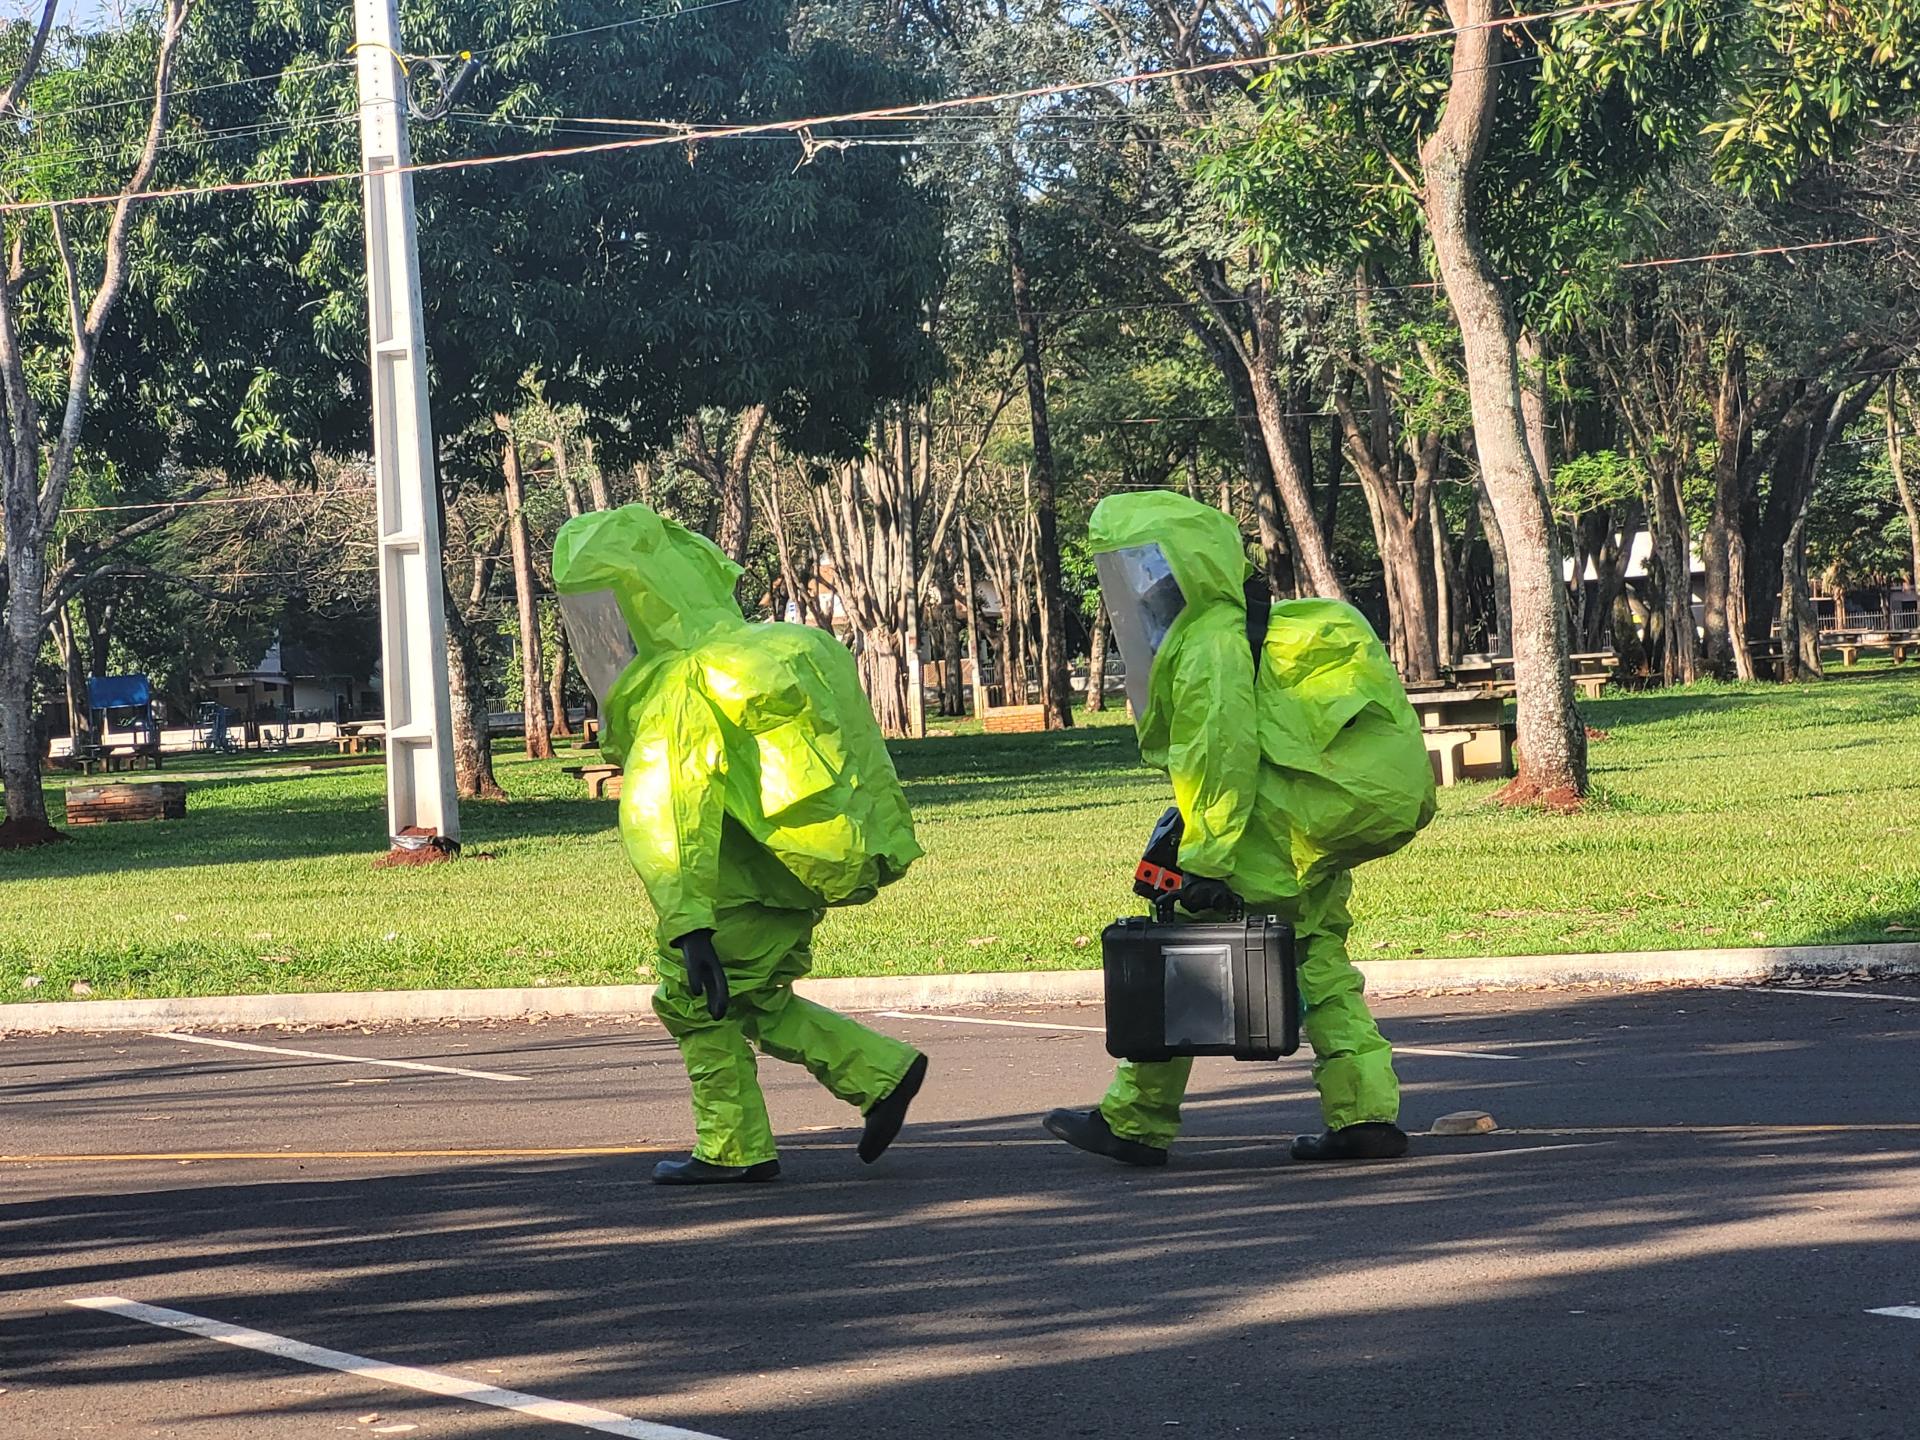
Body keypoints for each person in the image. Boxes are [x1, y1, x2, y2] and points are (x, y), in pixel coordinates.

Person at [1045, 491, 1436, 1166]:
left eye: (1143, 565)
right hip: (1307, 828)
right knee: (1317, 961)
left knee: (1178, 967)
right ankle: (1366, 1113)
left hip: (1261, 841)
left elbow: (1216, 760)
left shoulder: (1206, 645)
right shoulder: (1241, 627)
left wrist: (1204, 863)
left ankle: (1136, 1123)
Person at [553, 503, 929, 1185]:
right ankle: (882, 1075)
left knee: (695, 1003)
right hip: (795, 871)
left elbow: (671, 815)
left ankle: (733, 1148)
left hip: (736, 883)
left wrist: (688, 925)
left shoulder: (683, 683)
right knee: (756, 1001)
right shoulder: (778, 648)